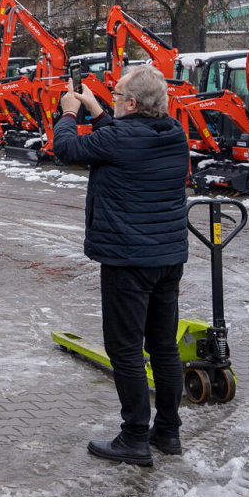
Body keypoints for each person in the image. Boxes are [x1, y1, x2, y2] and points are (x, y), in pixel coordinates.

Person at [55, 65, 190, 467]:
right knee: (163, 347)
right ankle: (167, 431)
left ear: (131, 104)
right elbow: (125, 137)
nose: (112, 100)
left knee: (125, 349)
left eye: (116, 96)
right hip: (167, 257)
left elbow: (66, 150)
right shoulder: (174, 133)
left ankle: (133, 437)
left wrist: (68, 112)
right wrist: (98, 112)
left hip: (128, 261)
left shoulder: (118, 138)